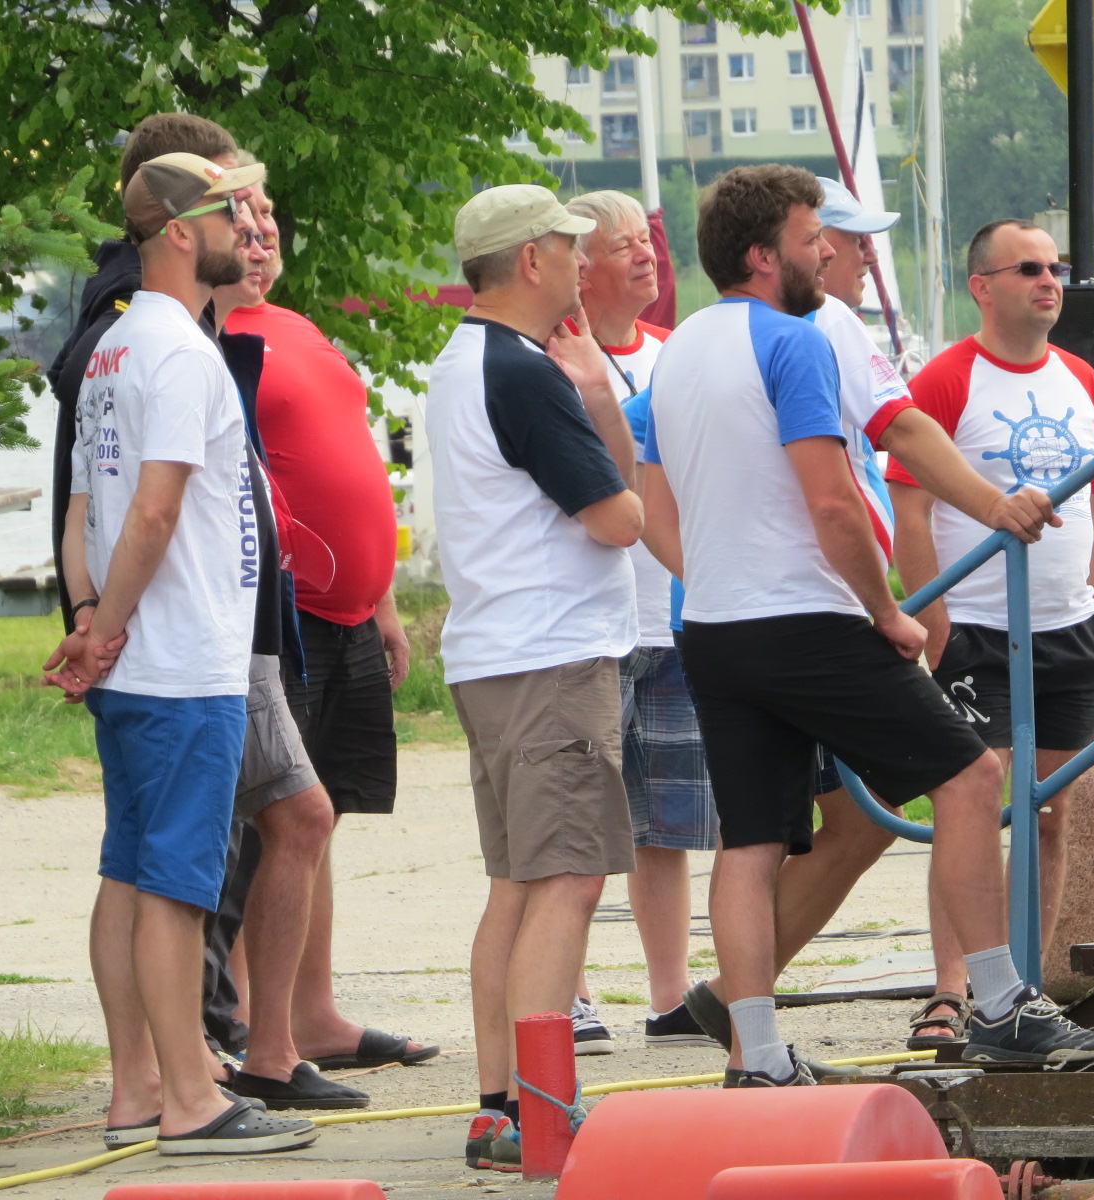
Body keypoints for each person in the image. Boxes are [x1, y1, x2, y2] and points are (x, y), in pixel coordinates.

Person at [641, 165, 1094, 1086]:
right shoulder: (795, 339)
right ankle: (999, 1006)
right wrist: (886, 612)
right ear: (763, 255)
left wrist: (713, 579)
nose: (828, 253)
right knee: (971, 778)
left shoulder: (682, 348)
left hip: (715, 627)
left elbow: (652, 501)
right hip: (807, 618)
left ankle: (759, 1057)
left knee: (752, 842)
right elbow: (835, 502)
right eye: (811, 239)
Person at [45, 114, 361, 1113]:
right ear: (182, 230)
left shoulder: (110, 349)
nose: (250, 226)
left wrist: (92, 618)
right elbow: (152, 509)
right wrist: (107, 626)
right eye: (230, 210)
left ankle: (140, 1093)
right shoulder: (178, 351)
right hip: (182, 659)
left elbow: (80, 511)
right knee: (177, 885)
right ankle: (189, 1097)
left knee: (132, 870)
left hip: (141, 653)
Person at [425, 184, 642, 1167]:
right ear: (529, 261)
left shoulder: (462, 360)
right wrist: (599, 406)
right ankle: (541, 1110)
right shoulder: (521, 372)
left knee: (516, 885)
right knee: (569, 881)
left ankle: (499, 1105)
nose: (581, 262)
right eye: (568, 246)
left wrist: (591, 398)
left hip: (494, 652)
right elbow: (619, 517)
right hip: (550, 655)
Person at [884, 218, 1094, 1044]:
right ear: (982, 286)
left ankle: (1025, 986)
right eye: (1028, 268)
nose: (1049, 280)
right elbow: (908, 508)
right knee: (969, 807)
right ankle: (954, 991)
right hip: (980, 631)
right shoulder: (947, 378)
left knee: (1049, 813)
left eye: (1056, 266)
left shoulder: (1080, 376)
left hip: (1071, 630)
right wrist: (934, 621)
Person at [221, 169, 436, 1080]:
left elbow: (347, 463)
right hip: (285, 619)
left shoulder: (298, 327)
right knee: (269, 822)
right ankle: (241, 1025)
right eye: (243, 215)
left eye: (270, 214)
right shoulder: (211, 338)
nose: (264, 231)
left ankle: (311, 1015)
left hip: (351, 615)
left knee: (322, 819)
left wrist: (382, 600)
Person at [562, 190, 718, 1053]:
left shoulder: (674, 356)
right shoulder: (554, 360)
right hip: (591, 624)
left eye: (648, 241)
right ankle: (569, 994)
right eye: (625, 245)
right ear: (580, 268)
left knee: (669, 827)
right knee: (580, 821)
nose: (646, 255)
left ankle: (668, 995)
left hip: (672, 620)